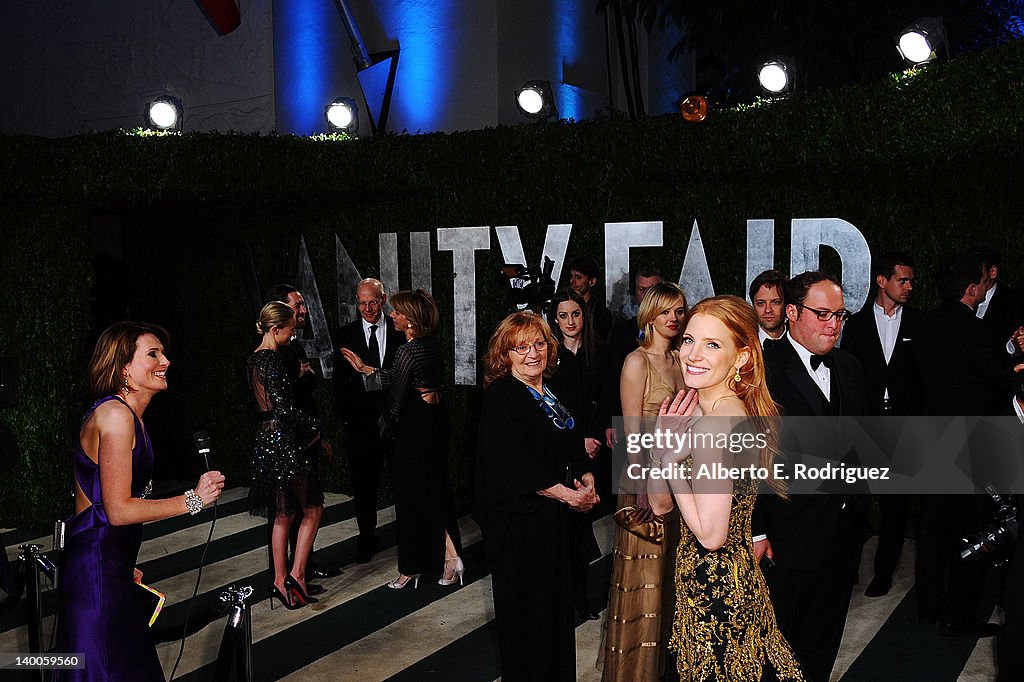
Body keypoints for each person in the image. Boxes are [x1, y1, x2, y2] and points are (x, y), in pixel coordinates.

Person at [55, 322, 225, 681]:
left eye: (163, 352)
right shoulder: (116, 416)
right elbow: (118, 510)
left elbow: (95, 505)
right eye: (153, 354)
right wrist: (193, 499)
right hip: (97, 573)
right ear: (123, 369)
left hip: (104, 567)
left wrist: (115, 562)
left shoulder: (131, 418)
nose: (166, 360)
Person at [648, 295, 804, 681]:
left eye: (712, 344)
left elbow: (712, 534)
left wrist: (670, 462)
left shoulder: (719, 422)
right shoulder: (703, 409)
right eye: (688, 340)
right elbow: (661, 503)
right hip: (708, 586)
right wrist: (660, 451)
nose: (692, 354)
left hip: (717, 598)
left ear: (742, 357)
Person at [753, 271, 868, 682]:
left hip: (841, 534)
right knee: (776, 646)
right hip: (787, 535)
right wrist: (758, 531)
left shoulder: (851, 367)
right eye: (822, 314)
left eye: (840, 315)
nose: (833, 324)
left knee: (824, 642)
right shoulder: (762, 371)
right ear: (792, 312)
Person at [475, 312, 599, 680]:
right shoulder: (501, 396)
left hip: (554, 525)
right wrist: (566, 495)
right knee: (527, 621)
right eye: (522, 347)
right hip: (521, 529)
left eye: (540, 343)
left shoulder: (550, 391)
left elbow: (571, 446)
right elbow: (512, 465)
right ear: (505, 354)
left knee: (556, 616)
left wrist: (587, 479)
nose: (533, 353)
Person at [913, 251, 1008, 636]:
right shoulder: (976, 330)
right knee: (970, 530)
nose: (987, 287)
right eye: (984, 281)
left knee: (932, 527)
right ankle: (957, 616)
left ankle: (927, 607)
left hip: (929, 440)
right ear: (972, 289)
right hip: (969, 446)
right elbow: (999, 379)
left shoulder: (924, 325)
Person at [340, 289, 462, 588]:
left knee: (411, 497)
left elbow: (395, 400)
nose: (391, 315)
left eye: (397, 312)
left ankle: (418, 566)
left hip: (415, 426)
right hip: (435, 420)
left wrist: (381, 429)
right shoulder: (429, 345)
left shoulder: (407, 350)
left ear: (410, 320)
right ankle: (446, 559)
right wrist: (367, 370)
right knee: (434, 490)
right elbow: (402, 376)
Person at [600, 281, 688, 682]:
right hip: (644, 480)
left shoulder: (681, 358)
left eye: (679, 310)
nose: (674, 318)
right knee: (644, 581)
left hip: (681, 478)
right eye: (666, 310)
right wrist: (641, 494)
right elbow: (632, 435)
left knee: (672, 577)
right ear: (649, 314)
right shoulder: (637, 362)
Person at [838, 252, 921, 598]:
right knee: (857, 501)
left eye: (912, 281)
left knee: (895, 506)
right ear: (881, 281)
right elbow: (845, 377)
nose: (909, 287)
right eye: (903, 280)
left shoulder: (919, 323)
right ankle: (849, 570)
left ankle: (884, 573)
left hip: (902, 427)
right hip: (864, 425)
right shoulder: (855, 326)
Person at [247, 301, 323, 609]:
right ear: (276, 329)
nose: (294, 334)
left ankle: (280, 581)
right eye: (291, 329)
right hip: (284, 441)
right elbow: (284, 408)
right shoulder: (273, 360)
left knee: (283, 514)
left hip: (265, 439)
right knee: (313, 508)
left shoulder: (252, 359)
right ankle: (297, 576)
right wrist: (315, 423)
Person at [266, 284, 337, 582]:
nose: (303, 310)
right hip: (288, 440)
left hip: (303, 437)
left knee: (303, 508)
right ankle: (285, 576)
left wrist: (316, 433)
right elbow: (285, 401)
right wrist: (304, 379)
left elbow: (305, 389)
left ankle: (301, 567)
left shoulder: (293, 345)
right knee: (291, 510)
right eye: (297, 305)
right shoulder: (272, 354)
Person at [332, 278, 406, 563]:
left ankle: (407, 536)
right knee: (364, 488)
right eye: (362, 303)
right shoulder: (345, 335)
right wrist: (348, 421)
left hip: (396, 422)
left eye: (373, 302)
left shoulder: (401, 331)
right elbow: (339, 384)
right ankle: (367, 539)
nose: (367, 308)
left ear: (383, 299)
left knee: (403, 482)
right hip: (361, 427)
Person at [547, 288, 605, 619]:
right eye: (564, 315)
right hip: (562, 451)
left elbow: (606, 396)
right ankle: (561, 599)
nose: (571, 321)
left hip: (593, 450)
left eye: (576, 314)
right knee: (562, 531)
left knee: (583, 530)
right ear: (555, 319)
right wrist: (576, 440)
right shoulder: (550, 358)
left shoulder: (599, 352)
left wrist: (593, 436)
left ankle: (581, 598)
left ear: (585, 316)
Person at [567, 255, 614, 342]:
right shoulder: (564, 306)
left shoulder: (601, 313)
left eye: (578, 277)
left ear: (592, 281)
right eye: (571, 276)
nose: (572, 281)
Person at [749, 269, 789, 348]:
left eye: (775, 302)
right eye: (761, 303)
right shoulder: (742, 343)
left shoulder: (801, 342)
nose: (768, 310)